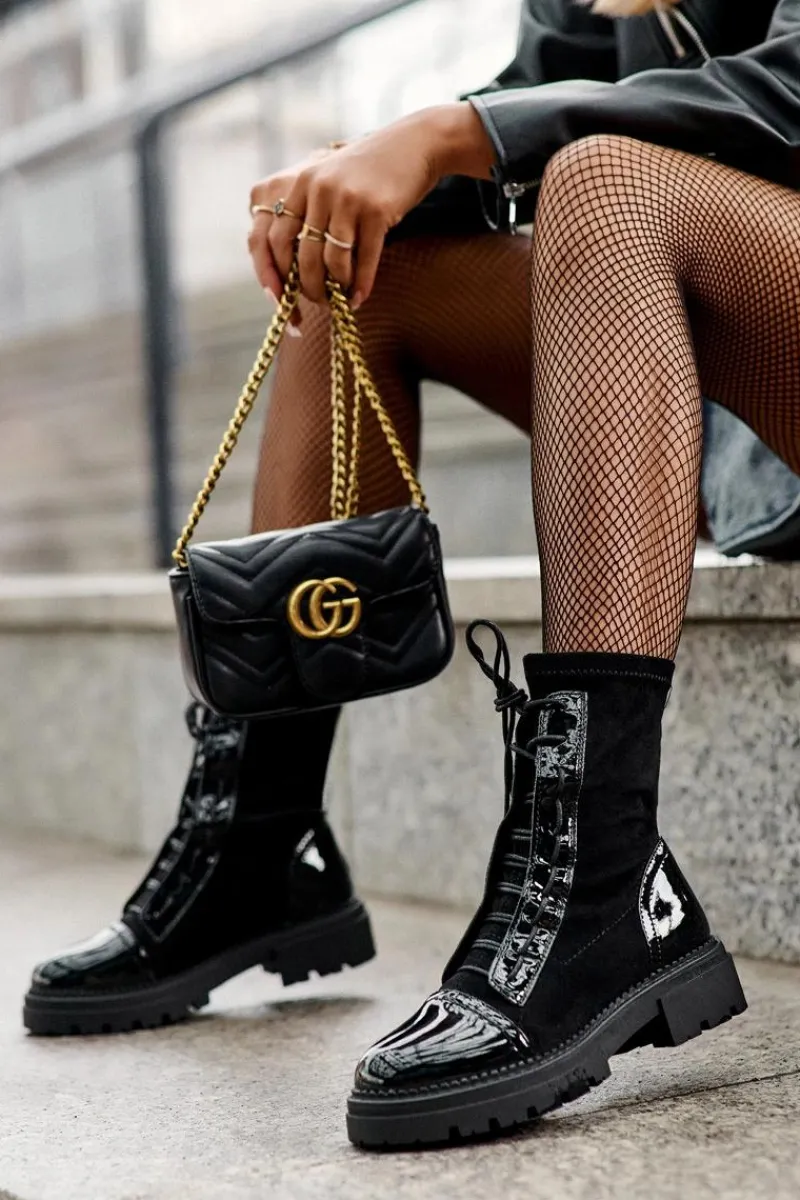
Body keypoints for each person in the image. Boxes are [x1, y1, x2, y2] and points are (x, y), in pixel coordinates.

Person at [24, 0, 799, 1151]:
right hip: (728, 381)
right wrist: (369, 174)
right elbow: (535, 100)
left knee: (606, 183)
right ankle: (257, 841)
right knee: (360, 269)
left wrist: (451, 133)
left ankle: (600, 877)